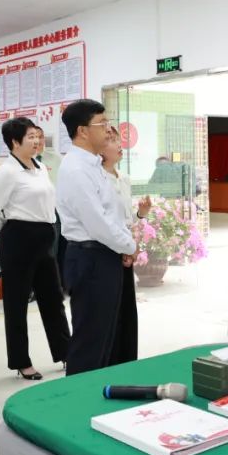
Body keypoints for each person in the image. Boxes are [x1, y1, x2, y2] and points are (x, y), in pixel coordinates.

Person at [0, 117, 70, 380]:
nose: (36, 141)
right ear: (15, 142)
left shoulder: (39, 167)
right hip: (18, 239)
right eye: (30, 137)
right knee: (17, 304)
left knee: (53, 298)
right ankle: (21, 361)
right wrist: (11, 230)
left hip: (44, 238)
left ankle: (66, 352)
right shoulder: (7, 172)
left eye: (37, 136)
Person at [57, 100, 137, 376]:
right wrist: (129, 245)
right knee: (90, 340)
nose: (109, 129)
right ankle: (77, 395)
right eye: (102, 124)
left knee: (107, 335)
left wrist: (124, 244)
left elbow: (112, 213)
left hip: (104, 254)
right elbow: (97, 222)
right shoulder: (76, 169)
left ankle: (100, 391)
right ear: (82, 131)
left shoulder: (93, 165)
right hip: (90, 257)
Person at [100, 127, 150, 364]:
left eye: (118, 140)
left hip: (125, 249)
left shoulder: (124, 178)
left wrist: (141, 214)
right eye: (111, 140)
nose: (119, 145)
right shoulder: (98, 179)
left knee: (126, 310)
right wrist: (124, 247)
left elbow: (126, 220)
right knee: (108, 311)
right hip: (108, 250)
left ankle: (127, 361)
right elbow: (104, 222)